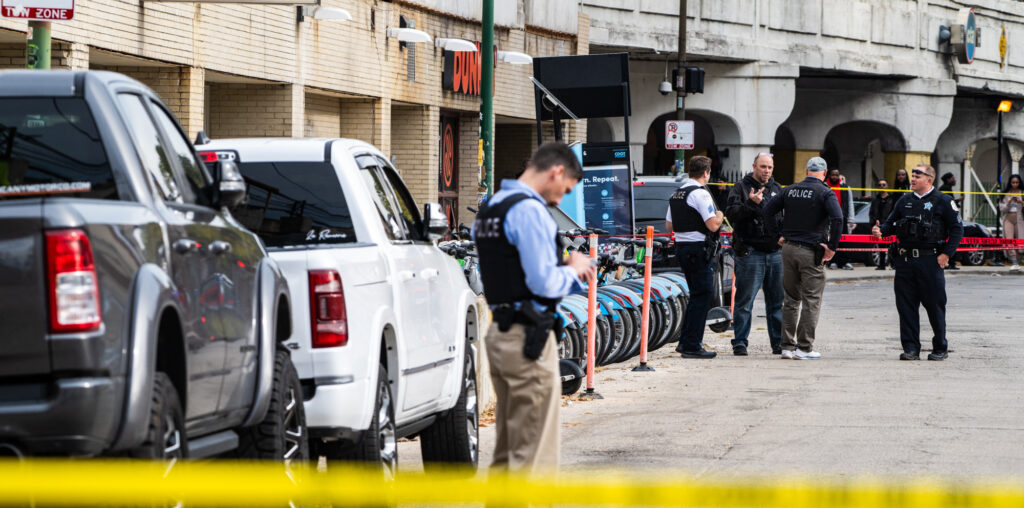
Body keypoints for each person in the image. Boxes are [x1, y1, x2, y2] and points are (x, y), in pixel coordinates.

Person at [472, 142, 596, 475]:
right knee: (534, 458)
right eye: (564, 189)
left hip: (501, 333)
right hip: (528, 339)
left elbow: (509, 268)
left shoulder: (492, 205)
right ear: (556, 172)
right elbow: (542, 282)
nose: (559, 199)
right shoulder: (529, 210)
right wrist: (573, 267)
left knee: (509, 452)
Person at [872, 164, 963, 361]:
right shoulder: (904, 200)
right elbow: (890, 224)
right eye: (912, 175)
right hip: (904, 261)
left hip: (930, 260)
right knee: (906, 306)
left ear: (929, 179)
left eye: (917, 176)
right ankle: (911, 348)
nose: (912, 179)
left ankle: (940, 347)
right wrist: (880, 231)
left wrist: (946, 254)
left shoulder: (943, 201)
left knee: (935, 306)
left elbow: (957, 229)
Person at [762, 157, 843, 360]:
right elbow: (838, 218)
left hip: (788, 249)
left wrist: (777, 235)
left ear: (806, 171)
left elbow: (767, 211)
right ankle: (804, 348)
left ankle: (787, 347)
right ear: (824, 173)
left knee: (790, 299)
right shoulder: (825, 192)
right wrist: (832, 248)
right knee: (811, 300)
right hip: (810, 250)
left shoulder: (790, 189)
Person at [725, 152, 784, 356]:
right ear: (754, 166)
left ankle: (778, 343)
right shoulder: (741, 187)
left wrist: (784, 236)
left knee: (777, 302)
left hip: (775, 253)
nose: (766, 171)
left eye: (769, 167)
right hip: (750, 253)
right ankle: (740, 342)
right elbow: (731, 215)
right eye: (762, 167)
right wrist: (751, 204)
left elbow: (784, 217)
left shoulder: (777, 189)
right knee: (744, 302)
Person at [666, 155, 724, 359]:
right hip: (698, 249)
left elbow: (669, 225)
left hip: (682, 247)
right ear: (706, 173)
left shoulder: (677, 193)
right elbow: (712, 225)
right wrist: (720, 216)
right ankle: (692, 345)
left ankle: (686, 342)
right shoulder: (701, 194)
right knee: (702, 296)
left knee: (696, 296)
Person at [826, 168, 856, 270]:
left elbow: (850, 203)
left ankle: (845, 262)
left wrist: (851, 219)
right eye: (833, 175)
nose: (835, 177)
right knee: (831, 241)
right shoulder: (825, 186)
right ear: (829, 175)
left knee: (845, 241)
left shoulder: (845, 187)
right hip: (829, 219)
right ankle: (832, 261)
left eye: (836, 175)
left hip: (842, 218)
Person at [869, 178, 897, 270]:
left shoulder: (892, 199)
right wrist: (874, 222)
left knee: (892, 246)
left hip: (889, 225)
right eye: (880, 185)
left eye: (884, 185)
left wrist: (891, 223)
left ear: (887, 186)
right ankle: (881, 265)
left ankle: (893, 264)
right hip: (879, 225)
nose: (882, 186)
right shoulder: (875, 199)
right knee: (881, 246)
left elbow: (894, 212)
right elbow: (872, 212)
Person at [998, 174, 1024, 271]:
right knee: (1009, 240)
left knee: (1020, 240)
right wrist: (1009, 202)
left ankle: (1018, 262)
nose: (1015, 184)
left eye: (1017, 182)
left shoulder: (1022, 192)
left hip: (1020, 218)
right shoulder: (1005, 193)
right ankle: (1014, 262)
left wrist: (1021, 202)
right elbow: (1002, 209)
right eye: (1013, 182)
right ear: (1010, 183)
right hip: (1008, 218)